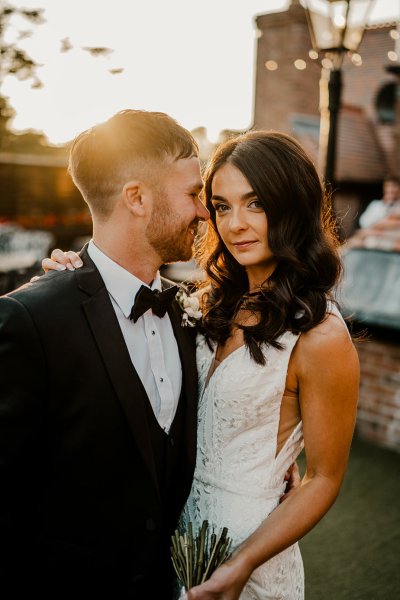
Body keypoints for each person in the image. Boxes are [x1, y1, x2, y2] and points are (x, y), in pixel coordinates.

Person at [44, 131, 359, 599]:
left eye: (256, 203)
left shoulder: (320, 333)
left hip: (250, 560)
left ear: (291, 205)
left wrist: (243, 563)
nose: (236, 224)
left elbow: (324, 478)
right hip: (174, 543)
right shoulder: (203, 305)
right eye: (221, 205)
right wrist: (71, 283)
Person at [0, 109, 209, 599]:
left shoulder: (188, 313)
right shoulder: (30, 320)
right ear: (136, 198)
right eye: (193, 194)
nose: (203, 213)